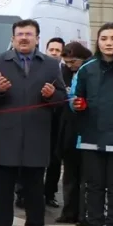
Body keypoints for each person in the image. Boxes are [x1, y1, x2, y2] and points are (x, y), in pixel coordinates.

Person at [0, 19, 67, 226]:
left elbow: (62, 99)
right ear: (13, 38)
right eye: (19, 34)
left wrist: (52, 95)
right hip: (5, 136)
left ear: (37, 38)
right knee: (2, 190)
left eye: (29, 34)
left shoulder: (50, 64)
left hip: (36, 136)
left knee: (34, 190)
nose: (24, 38)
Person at [70, 23, 113, 226]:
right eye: (104, 38)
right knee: (93, 189)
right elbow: (75, 98)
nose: (109, 42)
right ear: (98, 41)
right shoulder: (87, 68)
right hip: (91, 139)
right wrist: (76, 105)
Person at [55, 41, 92, 224]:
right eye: (67, 62)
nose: (70, 66)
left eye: (73, 62)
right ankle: (69, 211)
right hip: (68, 128)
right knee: (70, 174)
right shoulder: (64, 73)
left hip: (85, 128)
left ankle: (84, 213)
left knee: (86, 176)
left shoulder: (90, 70)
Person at [43, 37, 66, 208]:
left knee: (54, 160)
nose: (54, 53)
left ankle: (49, 194)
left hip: (59, 122)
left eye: (57, 50)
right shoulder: (40, 68)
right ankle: (22, 193)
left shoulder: (66, 71)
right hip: (40, 120)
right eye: (51, 49)